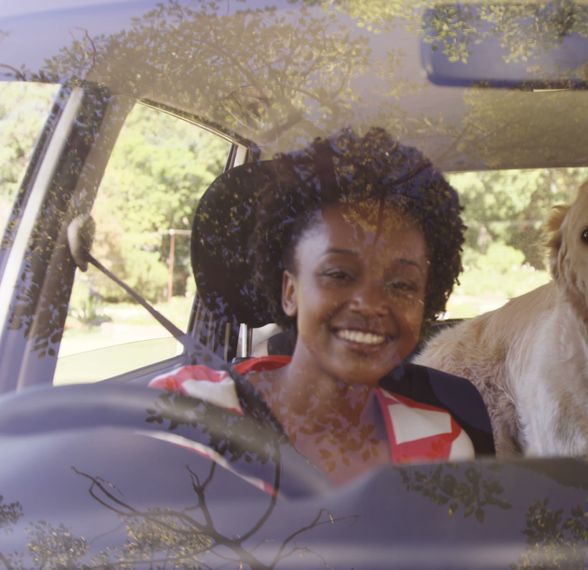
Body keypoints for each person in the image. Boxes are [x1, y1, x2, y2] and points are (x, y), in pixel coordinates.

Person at [150, 127, 494, 487]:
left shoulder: (443, 448)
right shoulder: (186, 411)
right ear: (290, 291)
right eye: (339, 274)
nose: (371, 304)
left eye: (402, 285)